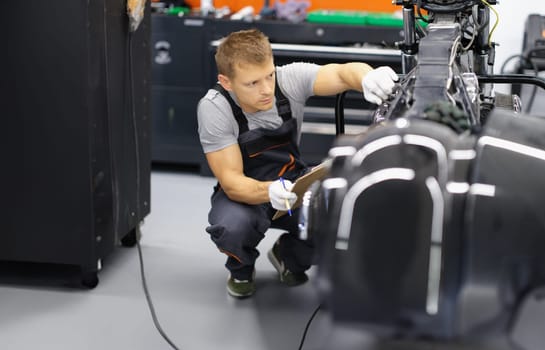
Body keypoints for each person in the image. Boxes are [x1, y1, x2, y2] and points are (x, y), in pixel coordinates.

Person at [197, 28, 398, 298]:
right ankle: (241, 268)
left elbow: (341, 72)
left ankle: (289, 257)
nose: (267, 89)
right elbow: (232, 182)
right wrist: (269, 191)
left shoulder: (288, 79)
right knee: (232, 226)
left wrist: (367, 76)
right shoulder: (214, 108)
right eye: (252, 83)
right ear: (227, 82)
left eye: (269, 75)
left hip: (294, 182)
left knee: (339, 218)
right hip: (244, 195)